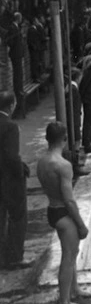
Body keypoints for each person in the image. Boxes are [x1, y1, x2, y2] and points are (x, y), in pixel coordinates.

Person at [36, 122, 91, 304]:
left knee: (72, 253)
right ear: (65, 139)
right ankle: (65, 303)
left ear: (46, 138)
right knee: (69, 256)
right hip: (63, 212)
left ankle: (75, 290)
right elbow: (69, 200)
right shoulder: (63, 165)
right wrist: (81, 225)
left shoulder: (42, 161)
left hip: (52, 209)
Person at [0, 92, 29, 269]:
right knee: (18, 217)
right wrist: (20, 172)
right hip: (8, 179)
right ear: (11, 106)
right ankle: (14, 257)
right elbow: (12, 156)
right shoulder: (10, 127)